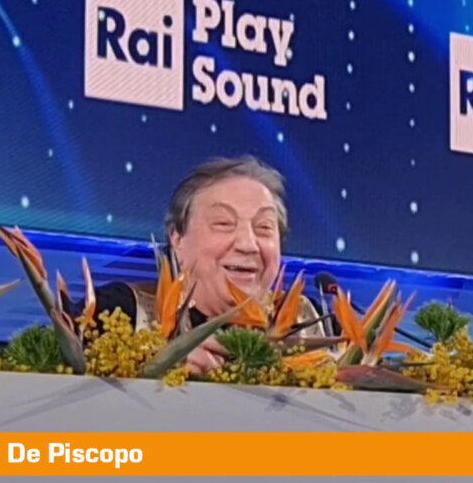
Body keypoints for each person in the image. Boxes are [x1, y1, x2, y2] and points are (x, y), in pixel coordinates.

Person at [87, 155, 326, 376]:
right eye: (223, 223)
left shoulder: (314, 319)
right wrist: (158, 365)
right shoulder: (119, 312)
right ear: (178, 238)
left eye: (264, 227)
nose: (248, 244)